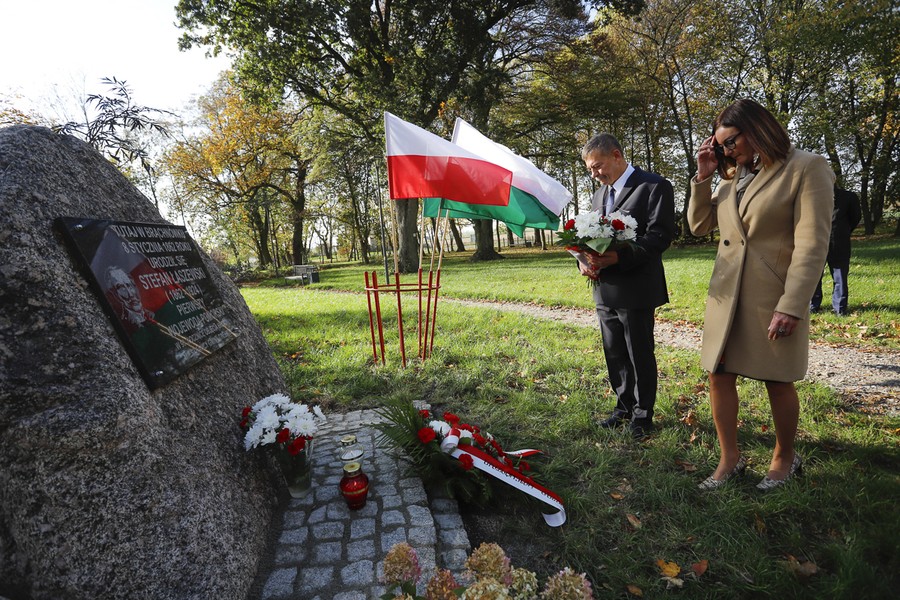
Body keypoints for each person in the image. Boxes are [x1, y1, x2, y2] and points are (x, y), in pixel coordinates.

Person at [688, 99, 834, 491]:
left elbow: (812, 243)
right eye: (720, 145)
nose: (726, 151)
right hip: (726, 294)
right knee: (718, 374)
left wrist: (793, 305)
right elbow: (699, 226)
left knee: (777, 379)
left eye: (730, 141)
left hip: (771, 295)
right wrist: (704, 177)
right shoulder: (732, 176)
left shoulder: (806, 167)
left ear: (756, 130)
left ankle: (785, 457)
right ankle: (729, 459)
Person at [579, 134, 676, 439]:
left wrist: (620, 258)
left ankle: (643, 415)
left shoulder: (653, 186)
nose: (594, 174)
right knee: (615, 352)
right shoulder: (598, 195)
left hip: (636, 287)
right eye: (590, 169)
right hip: (603, 287)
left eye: (598, 166)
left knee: (638, 353)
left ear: (617, 155)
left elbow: (660, 236)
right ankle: (623, 408)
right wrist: (582, 260)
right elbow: (590, 237)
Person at [810, 185, 862, 315]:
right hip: (819, 242)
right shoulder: (811, 196)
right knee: (816, 276)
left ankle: (836, 307)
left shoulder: (848, 197)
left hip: (837, 242)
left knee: (839, 276)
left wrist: (843, 231)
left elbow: (855, 218)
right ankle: (818, 306)